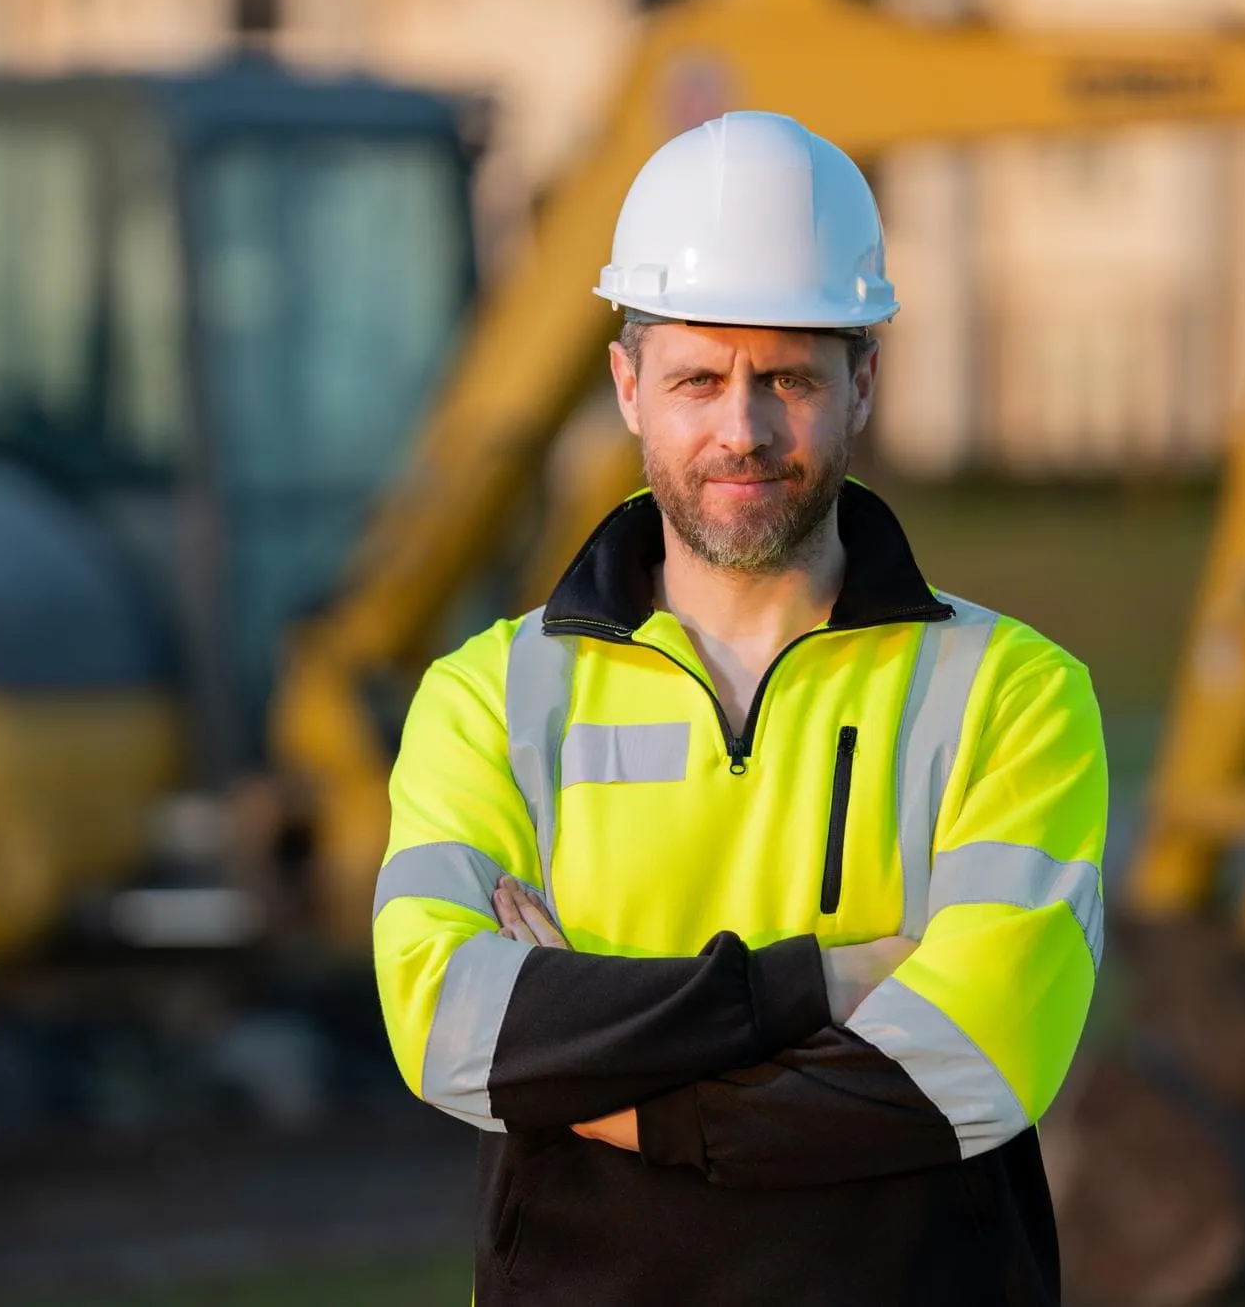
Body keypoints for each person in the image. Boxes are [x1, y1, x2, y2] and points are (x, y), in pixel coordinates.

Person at [372, 111, 1107, 1306]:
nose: (743, 428)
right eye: (698, 378)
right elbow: (454, 1029)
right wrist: (816, 986)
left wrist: (606, 1090)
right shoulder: (486, 700)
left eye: (789, 377)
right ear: (626, 385)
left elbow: (960, 1067)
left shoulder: (1013, 696)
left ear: (861, 379)